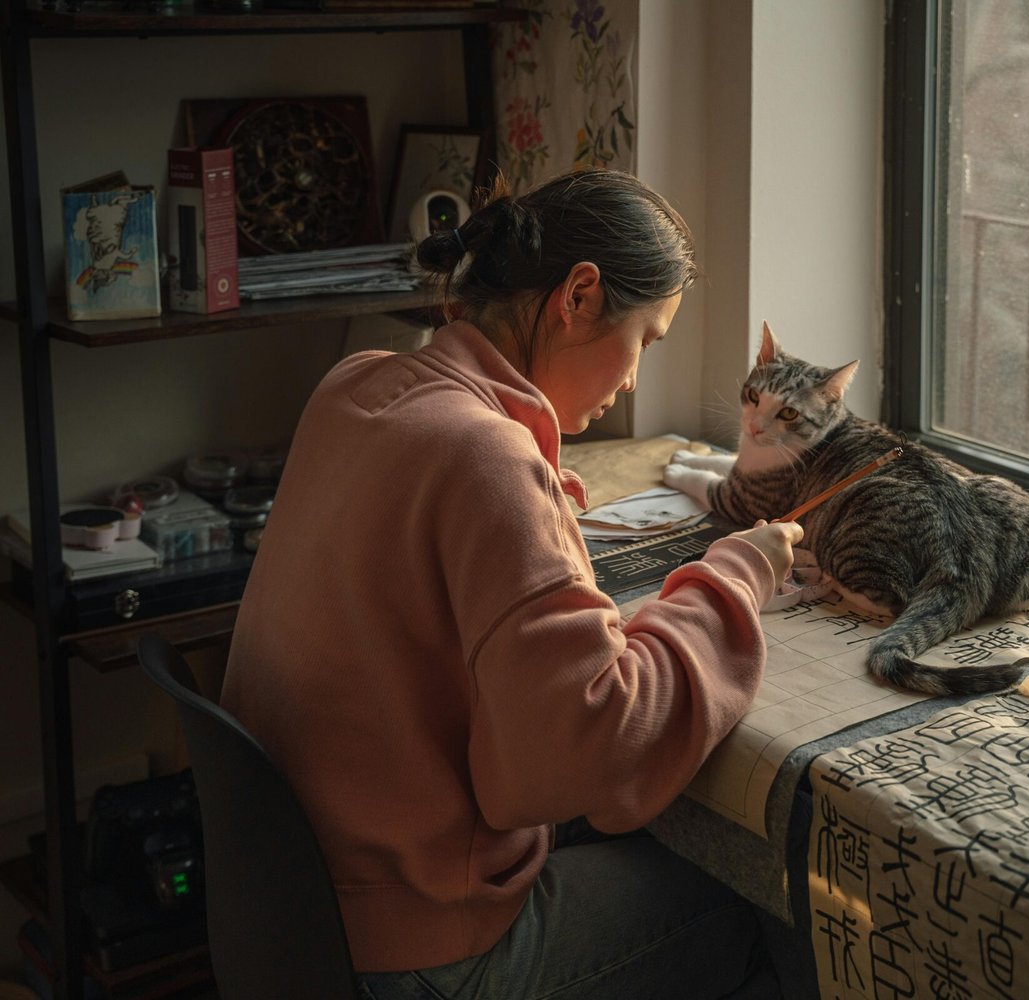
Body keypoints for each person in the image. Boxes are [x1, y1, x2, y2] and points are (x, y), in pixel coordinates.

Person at [221, 168, 802, 999]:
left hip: (300, 911)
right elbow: (582, 754)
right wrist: (733, 576)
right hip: (421, 945)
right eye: (646, 340)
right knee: (765, 902)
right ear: (579, 296)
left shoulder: (355, 384)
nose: (634, 379)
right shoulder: (485, 456)